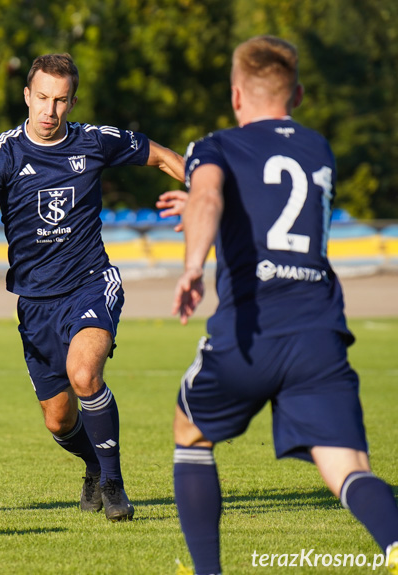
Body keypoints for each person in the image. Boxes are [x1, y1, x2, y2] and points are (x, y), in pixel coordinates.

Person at [0, 53, 184, 522]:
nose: (50, 110)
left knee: (85, 374)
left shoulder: (96, 140)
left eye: (61, 101)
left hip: (90, 284)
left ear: (73, 101)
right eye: (42, 98)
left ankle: (114, 484)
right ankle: (91, 463)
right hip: (35, 303)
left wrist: (212, 194)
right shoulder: (4, 152)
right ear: (27, 96)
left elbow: (164, 158)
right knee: (59, 420)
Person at [171, 35, 398, 574]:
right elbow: (271, 201)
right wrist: (217, 211)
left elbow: (208, 196)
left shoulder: (216, 145)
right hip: (320, 334)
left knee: (190, 433)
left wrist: (193, 265)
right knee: (347, 468)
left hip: (250, 332)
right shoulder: (319, 148)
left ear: (235, 95)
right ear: (296, 94)